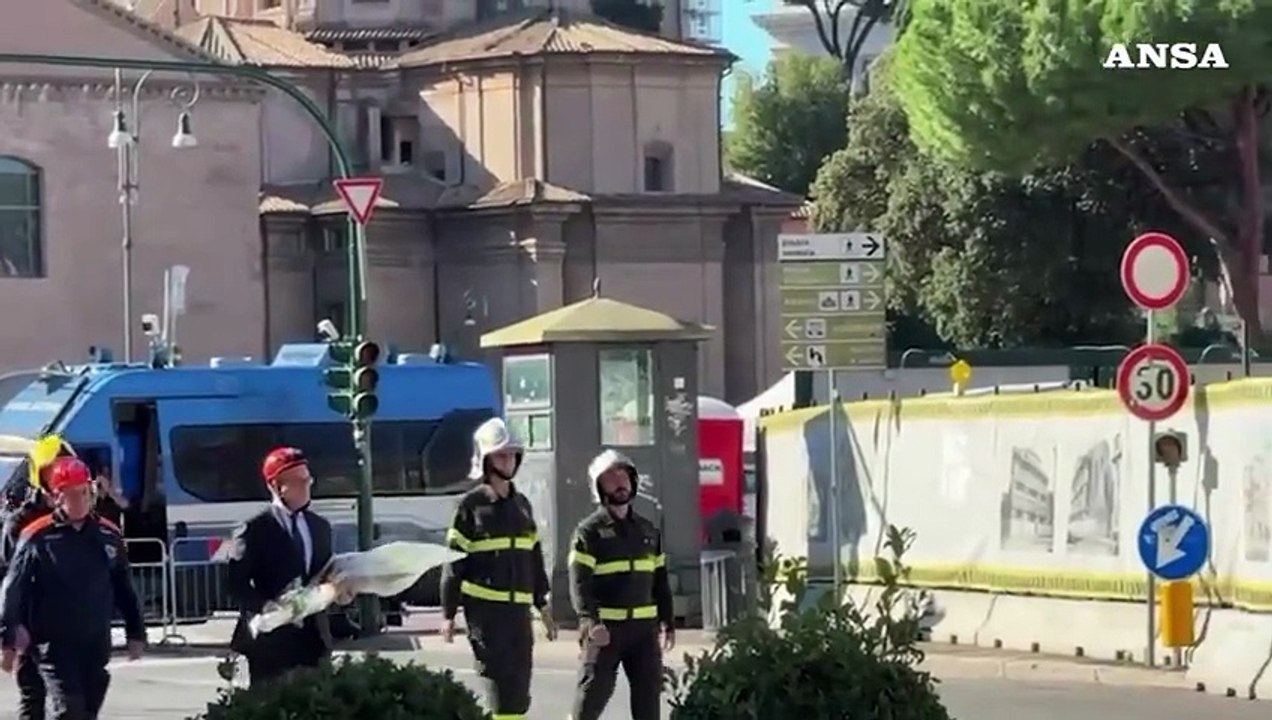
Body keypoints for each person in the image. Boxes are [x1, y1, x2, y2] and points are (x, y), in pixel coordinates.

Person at [0, 456, 146, 720]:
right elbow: (13, 587)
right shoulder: (37, 536)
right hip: (53, 644)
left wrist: (136, 631)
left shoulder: (108, 534)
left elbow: (124, 586)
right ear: (57, 497)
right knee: (68, 710)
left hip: (95, 641)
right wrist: (7, 639)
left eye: (84, 493)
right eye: (71, 495)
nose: (80, 500)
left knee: (88, 711)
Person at [440, 417, 555, 720]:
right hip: (486, 616)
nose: (509, 460)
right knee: (499, 690)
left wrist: (542, 605)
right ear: (486, 460)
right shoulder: (470, 506)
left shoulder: (522, 505)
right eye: (502, 454)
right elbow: (453, 566)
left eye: (513, 454)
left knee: (518, 692)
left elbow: (534, 559)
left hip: (519, 615)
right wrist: (449, 614)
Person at [226, 447, 350, 687]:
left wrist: (341, 592)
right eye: (298, 482)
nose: (306, 486)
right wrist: (267, 606)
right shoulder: (251, 530)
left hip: (314, 639)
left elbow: (325, 575)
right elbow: (234, 584)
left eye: (308, 479)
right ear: (275, 486)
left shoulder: (320, 527)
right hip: (271, 642)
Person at [569, 449, 675, 720]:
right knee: (590, 700)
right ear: (599, 486)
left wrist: (668, 620)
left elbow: (660, 579)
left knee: (648, 704)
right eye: (611, 477)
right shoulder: (588, 532)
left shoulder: (648, 530)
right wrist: (591, 623)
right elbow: (580, 583)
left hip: (644, 634)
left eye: (624, 475)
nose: (620, 483)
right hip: (606, 633)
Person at [0, 436, 78, 720]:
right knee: (33, 698)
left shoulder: (77, 516)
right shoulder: (20, 522)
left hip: (69, 626)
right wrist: (12, 629)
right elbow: (9, 578)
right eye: (53, 469)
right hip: (31, 625)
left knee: (74, 702)